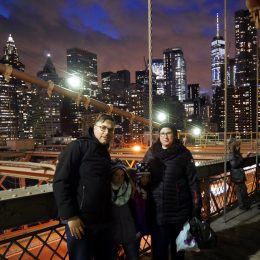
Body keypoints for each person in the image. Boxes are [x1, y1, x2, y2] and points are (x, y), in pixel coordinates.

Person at [53, 113, 115, 260]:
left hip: (103, 220)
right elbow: (61, 181)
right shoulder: (78, 146)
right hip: (81, 222)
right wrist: (70, 216)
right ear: (94, 127)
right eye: (103, 128)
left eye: (111, 130)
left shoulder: (104, 151)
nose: (107, 132)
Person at [142, 122, 202, 260]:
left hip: (179, 211)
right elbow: (143, 176)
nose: (165, 136)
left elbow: (193, 182)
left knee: (178, 251)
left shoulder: (184, 154)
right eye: (162, 133)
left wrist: (196, 209)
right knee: (159, 252)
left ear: (174, 135)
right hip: (158, 211)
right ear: (159, 135)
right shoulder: (151, 153)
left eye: (168, 133)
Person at [110, 159, 138, 260]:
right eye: (116, 175)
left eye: (122, 175)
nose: (119, 178)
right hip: (111, 233)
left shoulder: (130, 190)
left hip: (128, 232)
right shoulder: (105, 191)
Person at [131, 161, 151, 253]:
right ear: (138, 177)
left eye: (147, 177)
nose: (146, 179)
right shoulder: (133, 191)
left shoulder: (147, 191)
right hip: (134, 229)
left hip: (141, 227)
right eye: (143, 176)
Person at [228, 138, 251, 210]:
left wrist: (246, 157)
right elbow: (234, 165)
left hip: (239, 174)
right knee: (241, 191)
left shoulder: (236, 153)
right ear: (234, 146)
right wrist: (242, 158)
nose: (239, 147)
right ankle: (242, 205)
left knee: (243, 190)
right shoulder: (232, 154)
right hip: (237, 175)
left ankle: (245, 204)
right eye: (237, 145)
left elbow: (240, 163)